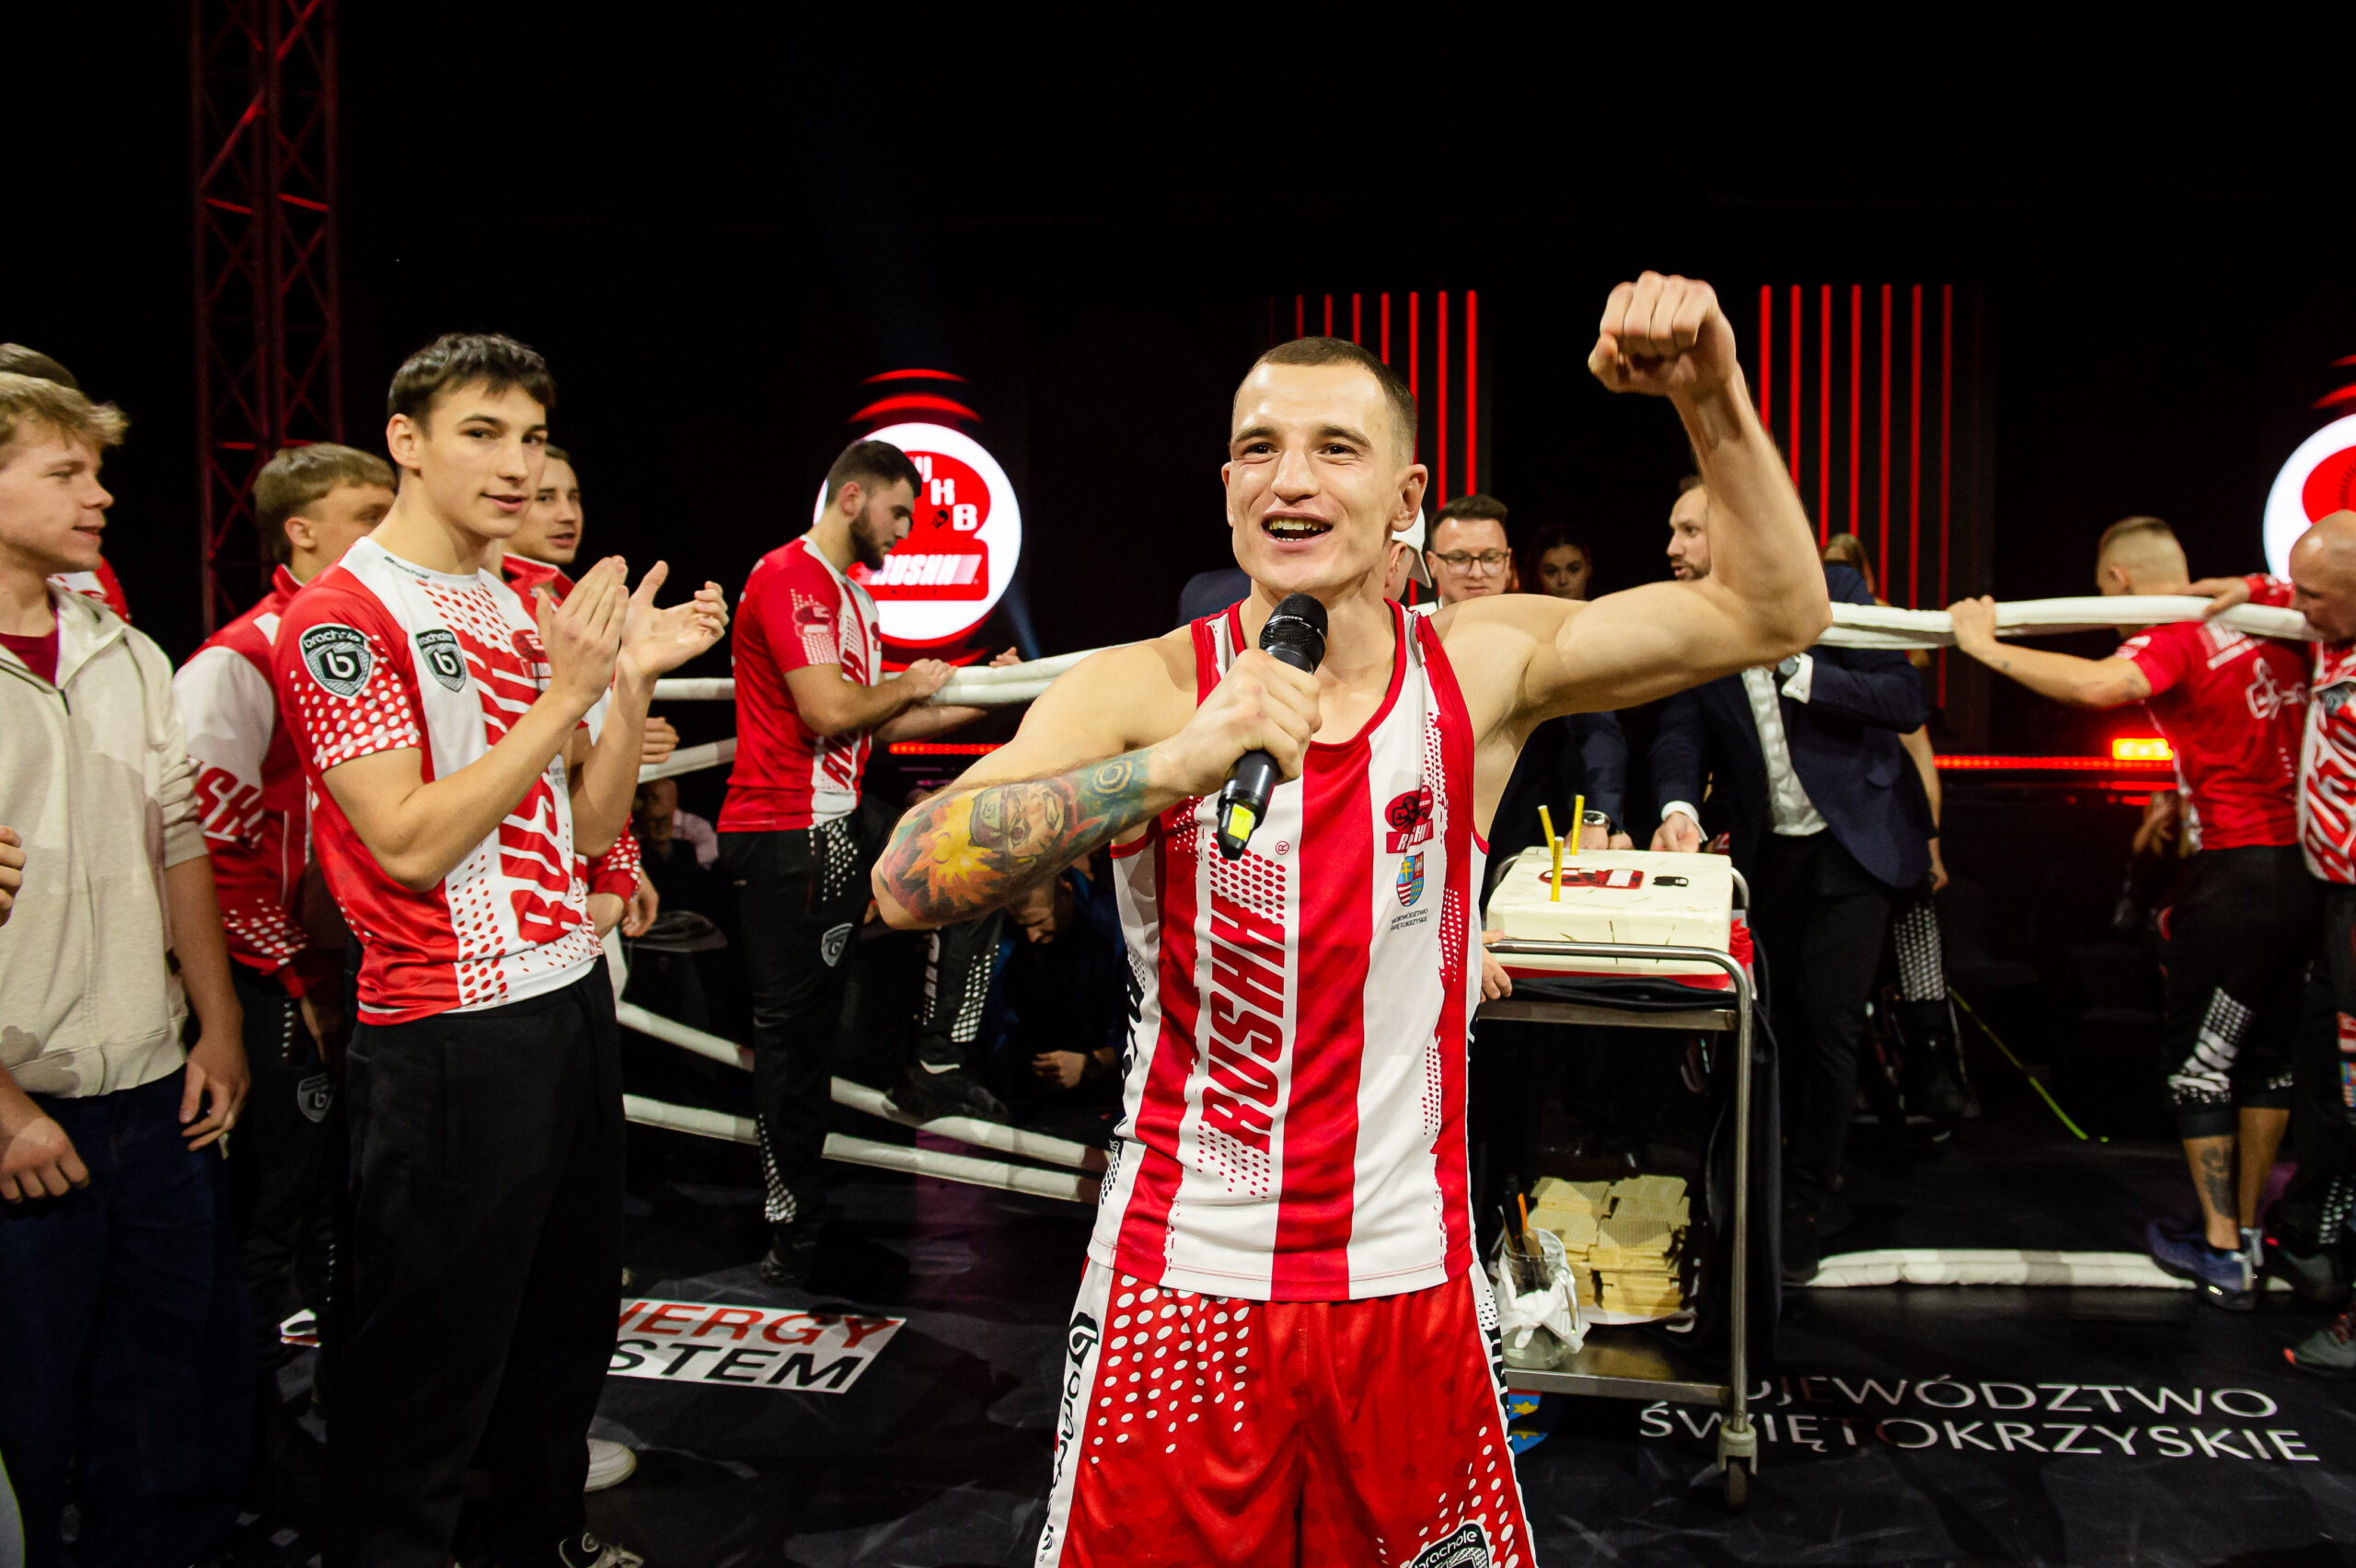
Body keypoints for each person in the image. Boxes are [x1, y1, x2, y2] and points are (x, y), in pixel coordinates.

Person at [872, 274, 1830, 1566]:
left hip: (1406, 1283)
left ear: (1404, 497)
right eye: (1260, 448)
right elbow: (906, 878)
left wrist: (1709, 395)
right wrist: (1161, 770)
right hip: (1183, 1285)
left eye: (1336, 448)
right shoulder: (1145, 688)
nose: (1292, 478)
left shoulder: (1477, 665)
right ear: (1227, 489)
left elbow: (1776, 612)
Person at [271, 332, 725, 1568]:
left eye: (530, 437)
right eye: (482, 433)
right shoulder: (341, 617)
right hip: (447, 1030)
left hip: (565, 996)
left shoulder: (524, 594)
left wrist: (627, 683)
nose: (517, 465)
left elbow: (585, 828)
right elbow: (409, 843)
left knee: (563, 1332)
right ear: (406, 443)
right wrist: (567, 696)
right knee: (426, 1373)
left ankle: (543, 1545)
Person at [0, 373, 253, 1566]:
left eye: (96, 471)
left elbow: (180, 842)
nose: (99, 496)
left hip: (153, 1093)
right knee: (24, 1421)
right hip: (22, 1115)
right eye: (65, 472)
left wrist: (218, 1025)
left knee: (164, 1404)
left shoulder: (127, 649)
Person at [1948, 517, 2312, 1306]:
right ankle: (2246, 1234)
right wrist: (2258, 584)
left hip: (2237, 875)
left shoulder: (2176, 630)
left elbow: (2098, 686)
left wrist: (1982, 646)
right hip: (2305, 873)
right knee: (2267, 1057)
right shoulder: (2275, 613)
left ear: (2116, 582)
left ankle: (2221, 1249)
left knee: (2201, 1064)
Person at [718, 438, 1011, 1286]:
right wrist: (915, 682)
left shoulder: (850, 594)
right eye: (899, 513)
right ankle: (793, 1231)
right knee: (796, 1048)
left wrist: (982, 692)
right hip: (786, 833)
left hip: (839, 818)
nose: (905, 532)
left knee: (976, 858)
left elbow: (873, 723)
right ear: (852, 496)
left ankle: (935, 1067)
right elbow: (827, 709)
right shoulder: (790, 577)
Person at [172, 440, 393, 1506]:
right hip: (271, 981)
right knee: (273, 1219)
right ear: (300, 532)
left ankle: (354, 1431)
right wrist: (297, 983)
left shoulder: (373, 634)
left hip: (359, 971)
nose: (391, 533)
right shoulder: (236, 661)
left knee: (353, 1213)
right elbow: (207, 852)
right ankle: (245, 1457)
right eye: (368, 515)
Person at [1650, 474, 1933, 1279]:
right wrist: (1679, 806)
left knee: (1828, 1021)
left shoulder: (1831, 587)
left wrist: (1796, 670)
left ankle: (1809, 1196)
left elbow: (1905, 698)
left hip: (1854, 840)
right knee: (1765, 1023)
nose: (1672, 547)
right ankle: (1758, 1183)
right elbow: (1679, 730)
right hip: (1769, 850)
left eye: (1689, 530)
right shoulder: (1688, 617)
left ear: (1736, 531)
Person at [2183, 515, 2356, 1364]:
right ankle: (2315, 1245)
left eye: (2313, 596)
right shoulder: (2330, 631)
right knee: (2326, 1082)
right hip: (2334, 904)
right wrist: (2254, 589)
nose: (2299, 607)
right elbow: (2295, 593)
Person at [503, 442, 666, 943]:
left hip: (580, 874)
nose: (567, 514)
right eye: (545, 498)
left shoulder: (565, 597)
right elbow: (532, 763)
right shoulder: (499, 605)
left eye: (572, 497)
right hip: (524, 896)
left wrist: (622, 866)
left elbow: (578, 764)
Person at [1520, 523, 1594, 603]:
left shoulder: (1602, 610)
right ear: (1538, 572)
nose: (1562, 580)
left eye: (1573, 569)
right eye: (1551, 572)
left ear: (1588, 567)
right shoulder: (1523, 609)